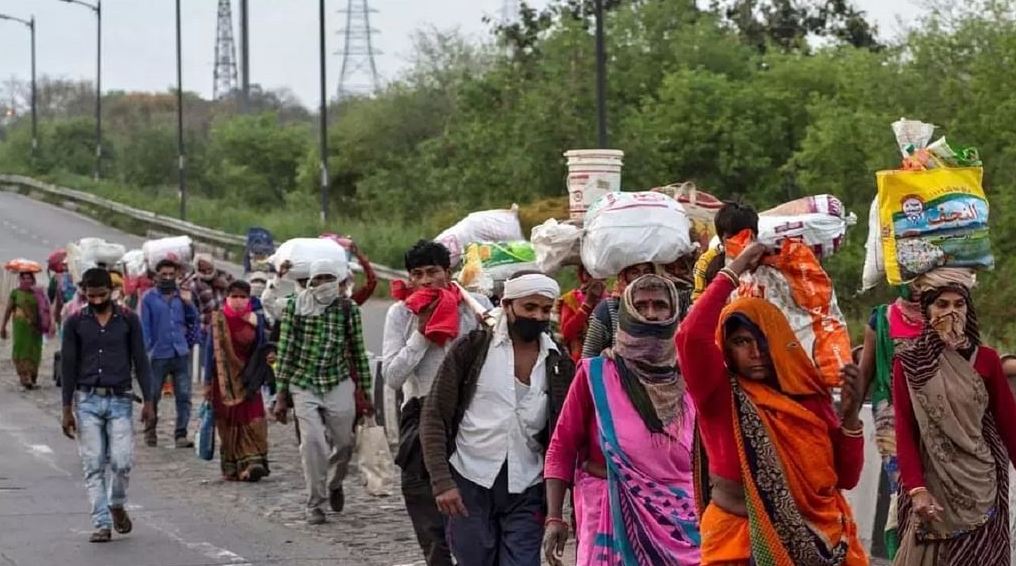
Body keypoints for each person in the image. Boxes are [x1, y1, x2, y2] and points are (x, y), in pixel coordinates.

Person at [677, 242, 868, 565]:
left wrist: (850, 418)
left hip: (817, 541)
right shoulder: (720, 394)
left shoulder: (808, 397)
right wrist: (737, 266)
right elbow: (690, 336)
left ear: (780, 340)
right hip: (737, 543)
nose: (755, 353)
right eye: (741, 342)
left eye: (763, 341)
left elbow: (845, 479)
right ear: (727, 347)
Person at [544, 274, 701, 566]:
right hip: (607, 510)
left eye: (660, 305)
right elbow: (562, 445)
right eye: (641, 305)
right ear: (626, 314)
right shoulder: (596, 374)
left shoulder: (690, 374)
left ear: (673, 312)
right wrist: (554, 517)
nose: (650, 314)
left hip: (682, 518)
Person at [420, 272, 574, 566]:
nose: (538, 316)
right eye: (529, 307)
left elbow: (566, 434)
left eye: (545, 309)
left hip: (528, 485)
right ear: (507, 305)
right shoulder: (473, 348)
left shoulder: (558, 362)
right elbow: (435, 416)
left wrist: (560, 505)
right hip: (469, 480)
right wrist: (442, 482)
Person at [892, 269, 1016, 564]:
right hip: (932, 483)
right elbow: (905, 430)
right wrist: (917, 489)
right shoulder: (909, 363)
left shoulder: (986, 360)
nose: (952, 312)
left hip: (982, 484)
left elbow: (1009, 424)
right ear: (927, 310)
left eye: (959, 304)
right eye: (942, 305)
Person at [382, 240, 492, 566]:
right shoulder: (401, 313)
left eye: (433, 272)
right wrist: (421, 334)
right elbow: (392, 376)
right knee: (424, 501)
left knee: (474, 502)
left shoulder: (474, 306)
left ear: (448, 272)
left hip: (471, 413)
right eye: (417, 274)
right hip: (421, 411)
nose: (426, 281)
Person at [272, 258, 373, 525]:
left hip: (337, 380)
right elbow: (285, 351)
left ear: (338, 281)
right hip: (303, 383)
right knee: (313, 443)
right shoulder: (295, 307)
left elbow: (358, 351)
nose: (324, 284)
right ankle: (315, 503)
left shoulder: (347, 309)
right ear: (311, 282)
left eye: (330, 278)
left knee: (344, 444)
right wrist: (281, 395)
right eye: (319, 279)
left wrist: (366, 392)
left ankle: (335, 482)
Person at [60, 268, 155, 543]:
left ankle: (116, 503)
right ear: (84, 294)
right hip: (87, 400)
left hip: (120, 399)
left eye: (101, 295)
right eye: (91, 296)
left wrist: (149, 401)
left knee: (122, 461)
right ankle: (101, 523)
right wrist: (66, 408)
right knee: (93, 464)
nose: (97, 300)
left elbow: (141, 360)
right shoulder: (75, 322)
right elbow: (68, 365)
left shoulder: (128, 319)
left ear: (111, 291)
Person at [856, 284, 923, 559]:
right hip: (892, 419)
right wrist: (846, 424)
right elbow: (865, 374)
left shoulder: (947, 315)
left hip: (934, 418)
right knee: (906, 493)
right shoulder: (882, 320)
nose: (918, 287)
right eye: (912, 280)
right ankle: (902, 555)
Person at [203, 280, 273, 482]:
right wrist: (207, 382)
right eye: (234, 296)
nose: (238, 301)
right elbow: (210, 352)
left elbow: (262, 347)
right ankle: (233, 466)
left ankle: (253, 463)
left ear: (249, 298)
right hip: (224, 381)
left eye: (243, 297)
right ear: (227, 298)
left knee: (253, 418)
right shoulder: (219, 320)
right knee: (229, 422)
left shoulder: (256, 320)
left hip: (249, 379)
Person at [141, 259, 199, 448]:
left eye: (171, 274)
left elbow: (193, 320)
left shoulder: (182, 296)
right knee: (153, 394)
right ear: (157, 275)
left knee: (184, 395)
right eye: (164, 274)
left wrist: (188, 303)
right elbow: (145, 327)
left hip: (180, 351)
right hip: (158, 354)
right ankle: (150, 430)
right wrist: (145, 352)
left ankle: (181, 433)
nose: (167, 278)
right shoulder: (148, 298)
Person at [580, 262, 655, 358]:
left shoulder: (662, 306)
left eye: (647, 272)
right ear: (624, 277)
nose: (641, 277)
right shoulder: (608, 308)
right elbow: (589, 355)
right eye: (635, 273)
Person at [1, 271, 53, 389]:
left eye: (29, 278)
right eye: (23, 278)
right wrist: (3, 326)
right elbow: (8, 311)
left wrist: (50, 324)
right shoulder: (15, 293)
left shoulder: (38, 293)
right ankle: (25, 377)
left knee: (35, 351)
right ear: (20, 280)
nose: (26, 281)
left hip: (35, 329)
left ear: (33, 280)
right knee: (21, 350)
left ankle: (33, 377)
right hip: (20, 329)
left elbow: (46, 309)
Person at [557, 265, 606, 363]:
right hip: (578, 361)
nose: (593, 279)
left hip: (605, 360)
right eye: (588, 274)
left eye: (597, 274)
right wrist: (587, 304)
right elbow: (566, 334)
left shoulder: (610, 300)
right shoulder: (570, 299)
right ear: (582, 275)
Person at [192, 253, 235, 331]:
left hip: (225, 324)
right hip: (205, 326)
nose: (207, 272)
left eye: (209, 269)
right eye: (203, 270)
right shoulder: (194, 284)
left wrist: (226, 286)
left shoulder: (224, 276)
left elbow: (238, 291)